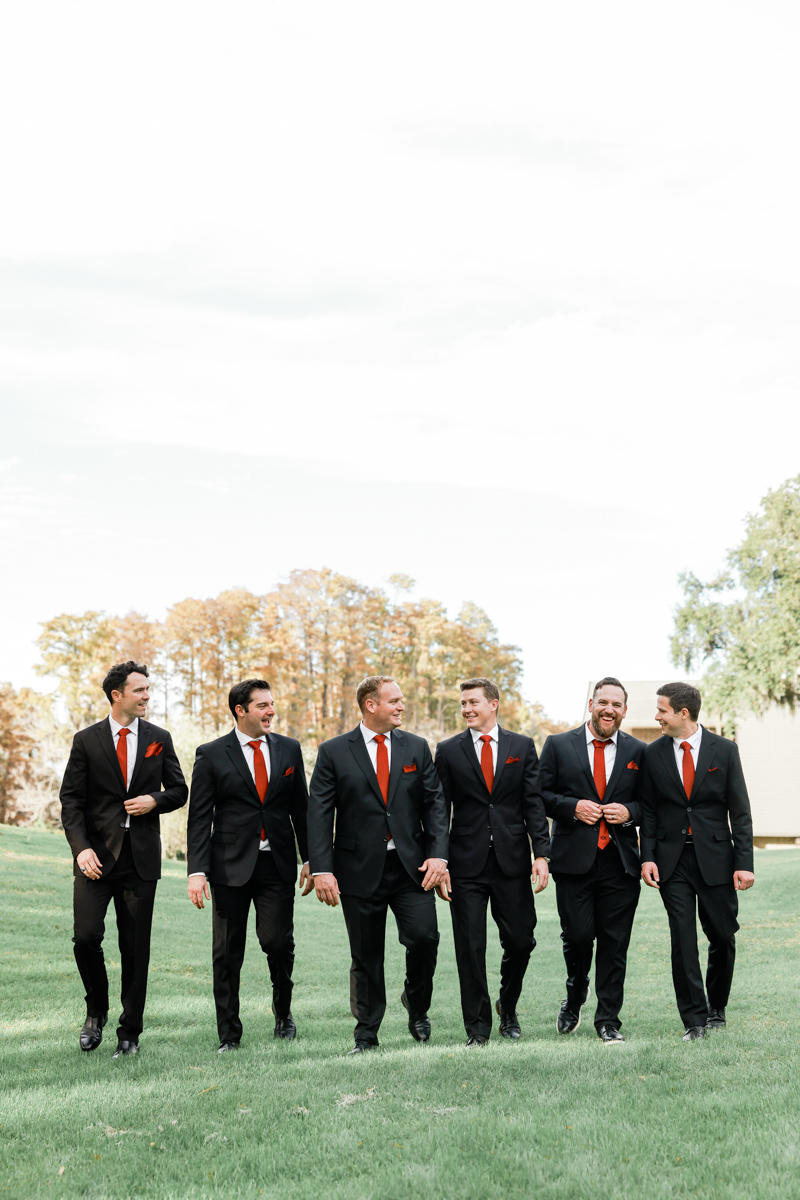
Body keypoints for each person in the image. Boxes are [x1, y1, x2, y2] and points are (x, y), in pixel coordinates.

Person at [307, 676, 449, 1054]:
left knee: (424, 938)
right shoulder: (334, 751)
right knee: (366, 955)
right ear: (371, 705)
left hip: (411, 868)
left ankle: (416, 1004)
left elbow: (435, 804)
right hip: (357, 868)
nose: (402, 706)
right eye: (394, 700)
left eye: (401, 700)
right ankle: (366, 1035)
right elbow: (319, 814)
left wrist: (439, 855)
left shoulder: (416, 747)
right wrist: (322, 868)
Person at [60, 661, 187, 1057]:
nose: (147, 696)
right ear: (117, 695)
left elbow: (179, 790)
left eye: (148, 689)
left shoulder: (159, 738)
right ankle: (95, 1009)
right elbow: (71, 801)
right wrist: (81, 848)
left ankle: (129, 1033)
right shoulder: (86, 740)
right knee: (86, 937)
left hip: (140, 861)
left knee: (134, 949)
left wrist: (155, 800)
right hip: (95, 859)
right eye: (140, 690)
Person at [186, 680, 311, 1052]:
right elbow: (199, 817)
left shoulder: (289, 749)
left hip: (277, 864)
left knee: (278, 942)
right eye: (262, 706)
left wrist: (312, 859)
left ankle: (283, 1014)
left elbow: (301, 809)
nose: (271, 711)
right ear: (240, 711)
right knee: (227, 953)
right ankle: (229, 1033)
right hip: (228, 867)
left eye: (272, 704)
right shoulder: (211, 754)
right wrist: (197, 871)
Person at [434, 678, 550, 1046]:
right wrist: (439, 860)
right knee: (470, 948)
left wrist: (541, 853)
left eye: (473, 702)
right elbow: (439, 810)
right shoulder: (448, 750)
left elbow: (533, 803)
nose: (466, 709)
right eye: (463, 703)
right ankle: (477, 1028)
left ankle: (508, 1006)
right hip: (464, 864)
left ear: (493, 704)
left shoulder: (521, 746)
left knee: (521, 941)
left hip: (511, 861)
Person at [640, 682, 754, 1041]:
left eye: (662, 710)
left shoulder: (725, 750)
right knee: (683, 938)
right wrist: (647, 858)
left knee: (722, 935)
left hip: (716, 859)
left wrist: (744, 862)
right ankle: (694, 1020)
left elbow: (740, 811)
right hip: (671, 861)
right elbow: (649, 811)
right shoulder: (652, 754)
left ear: (683, 713)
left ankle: (716, 1006)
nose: (657, 717)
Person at [537, 677, 645, 1043]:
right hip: (572, 860)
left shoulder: (639, 751)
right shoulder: (557, 745)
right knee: (578, 937)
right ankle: (575, 994)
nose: (609, 709)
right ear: (591, 705)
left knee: (615, 944)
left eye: (616, 704)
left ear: (624, 711)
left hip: (620, 862)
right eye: (603, 702)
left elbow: (650, 804)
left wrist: (629, 812)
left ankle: (608, 1021)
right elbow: (539, 795)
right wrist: (571, 807)